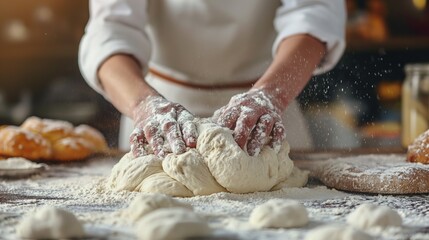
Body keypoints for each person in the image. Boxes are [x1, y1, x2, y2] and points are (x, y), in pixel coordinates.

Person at [79, 0, 346, 158]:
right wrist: (143, 106)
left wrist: (271, 96)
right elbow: (111, 29)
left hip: (266, 116)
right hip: (158, 120)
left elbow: (313, 14)